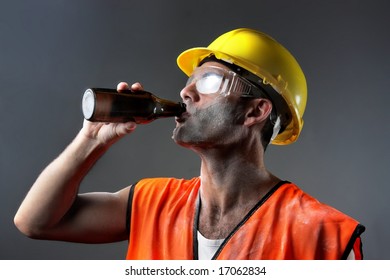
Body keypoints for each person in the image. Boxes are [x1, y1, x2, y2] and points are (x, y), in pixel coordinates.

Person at [14, 28, 365, 260]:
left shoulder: (325, 235)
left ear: (255, 111)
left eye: (210, 81)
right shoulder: (152, 203)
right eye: (189, 81)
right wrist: (91, 139)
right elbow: (36, 223)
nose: (185, 92)